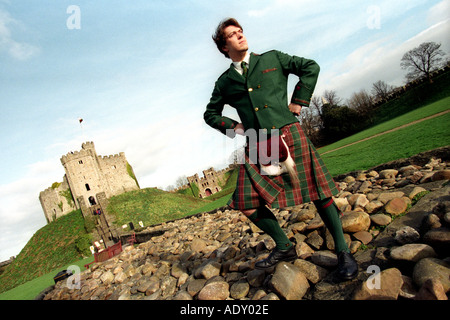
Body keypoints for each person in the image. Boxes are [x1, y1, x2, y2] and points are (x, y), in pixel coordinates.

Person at [204, 18, 358, 280]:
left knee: (319, 192)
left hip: (288, 133)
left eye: (240, 32)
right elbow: (210, 114)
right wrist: (237, 127)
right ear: (223, 47)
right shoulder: (225, 82)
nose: (240, 36)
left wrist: (298, 102)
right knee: (245, 202)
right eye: (232, 35)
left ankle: (343, 252)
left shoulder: (272, 58)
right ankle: (285, 246)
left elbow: (310, 67)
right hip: (256, 143)